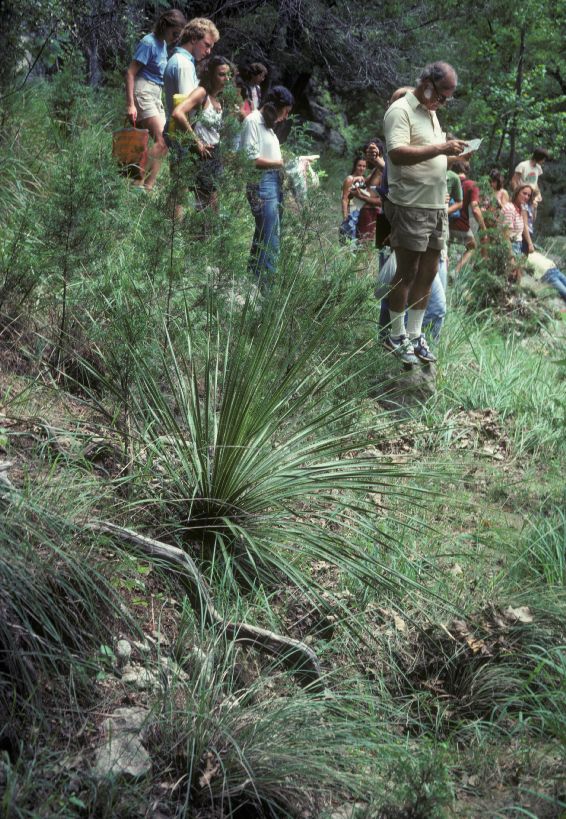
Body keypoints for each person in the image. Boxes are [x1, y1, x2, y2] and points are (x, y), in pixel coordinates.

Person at [382, 61, 468, 365]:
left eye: (448, 98)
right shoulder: (401, 110)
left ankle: (416, 335)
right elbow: (397, 153)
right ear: (427, 84)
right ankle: (396, 335)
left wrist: (453, 157)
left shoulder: (431, 114)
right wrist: (441, 149)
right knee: (406, 272)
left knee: (429, 273)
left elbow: (432, 157)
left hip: (436, 205)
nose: (443, 102)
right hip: (410, 205)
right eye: (442, 95)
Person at [125, 8, 187, 190]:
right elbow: (130, 73)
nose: (176, 37)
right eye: (174, 33)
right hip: (143, 90)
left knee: (166, 141)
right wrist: (130, 104)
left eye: (178, 34)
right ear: (164, 25)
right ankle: (136, 184)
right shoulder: (149, 42)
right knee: (162, 139)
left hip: (156, 93)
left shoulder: (162, 45)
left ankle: (148, 187)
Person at [239, 86, 294, 285]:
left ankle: (253, 283)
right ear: (275, 106)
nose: (285, 117)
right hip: (261, 183)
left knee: (264, 235)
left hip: (272, 182)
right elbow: (249, 159)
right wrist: (279, 164)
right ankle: (266, 289)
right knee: (270, 239)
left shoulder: (268, 126)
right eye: (285, 111)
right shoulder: (253, 121)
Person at [171, 56, 233, 213]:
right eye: (221, 74)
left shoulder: (220, 98)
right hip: (201, 153)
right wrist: (196, 141)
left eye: (228, 75)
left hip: (214, 153)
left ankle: (200, 236)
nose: (226, 79)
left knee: (210, 206)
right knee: (206, 205)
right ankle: (195, 235)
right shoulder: (201, 93)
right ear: (210, 74)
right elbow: (178, 113)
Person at [163, 18, 220, 130]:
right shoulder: (184, 64)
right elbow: (188, 110)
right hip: (182, 135)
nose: (209, 51)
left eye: (211, 47)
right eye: (207, 45)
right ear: (193, 39)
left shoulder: (180, 60)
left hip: (178, 131)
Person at [449, 160, 486, 274]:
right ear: (467, 170)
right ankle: (454, 272)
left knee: (443, 251)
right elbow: (475, 208)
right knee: (472, 247)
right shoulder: (471, 185)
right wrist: (483, 228)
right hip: (461, 225)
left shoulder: (447, 178)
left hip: (443, 222)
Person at [339, 155, 368, 243]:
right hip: (350, 215)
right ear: (355, 166)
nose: (361, 168)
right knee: (348, 244)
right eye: (359, 165)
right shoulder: (349, 179)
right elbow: (344, 198)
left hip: (359, 216)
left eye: (364, 166)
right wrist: (345, 217)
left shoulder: (364, 180)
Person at [501, 184, 534, 256]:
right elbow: (506, 235)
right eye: (524, 193)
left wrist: (530, 244)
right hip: (510, 247)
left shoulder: (521, 210)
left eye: (528, 195)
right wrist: (511, 255)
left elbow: (525, 226)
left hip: (518, 245)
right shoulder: (510, 209)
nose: (526, 197)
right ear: (517, 192)